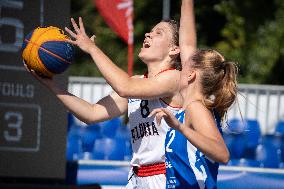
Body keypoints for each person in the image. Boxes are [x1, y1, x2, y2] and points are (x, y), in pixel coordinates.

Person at [24, 11, 196, 189]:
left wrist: (92, 48)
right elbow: (91, 113)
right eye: (150, 31)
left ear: (175, 49)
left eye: (158, 33)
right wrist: (52, 85)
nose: (148, 34)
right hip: (138, 177)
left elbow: (124, 87)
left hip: (167, 176)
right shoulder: (138, 82)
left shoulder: (175, 78)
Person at [150, 0, 237, 188]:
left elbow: (223, 154)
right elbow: (188, 41)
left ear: (190, 75)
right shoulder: (189, 106)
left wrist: (180, 128)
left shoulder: (196, 108)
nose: (179, 68)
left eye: (183, 66)